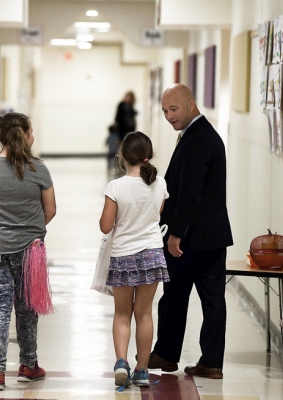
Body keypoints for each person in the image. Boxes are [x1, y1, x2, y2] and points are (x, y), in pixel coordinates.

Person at [148, 84, 233, 379]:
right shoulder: (206, 135)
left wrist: (176, 233)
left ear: (191, 104)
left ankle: (166, 354)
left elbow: (190, 193)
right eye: (165, 111)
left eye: (174, 109)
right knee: (213, 301)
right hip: (213, 238)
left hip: (190, 240)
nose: (169, 116)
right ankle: (212, 362)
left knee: (173, 296)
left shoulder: (197, 140)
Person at [0, 112, 57, 391]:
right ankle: (28, 365)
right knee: (26, 307)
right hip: (30, 248)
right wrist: (28, 228)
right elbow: (51, 210)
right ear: (23, 135)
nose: (33, 136)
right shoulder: (38, 168)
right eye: (31, 131)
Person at [99, 131, 170, 389]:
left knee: (122, 313)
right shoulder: (159, 183)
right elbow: (158, 213)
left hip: (123, 255)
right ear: (148, 155)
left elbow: (106, 226)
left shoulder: (116, 187)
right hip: (152, 253)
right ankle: (142, 370)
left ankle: (121, 363)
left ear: (122, 156)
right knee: (144, 314)